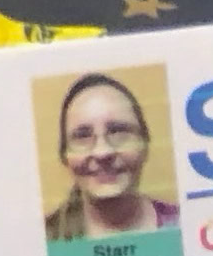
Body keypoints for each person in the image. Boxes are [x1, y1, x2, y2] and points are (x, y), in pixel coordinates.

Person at [41, 73, 183, 241]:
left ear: (145, 144)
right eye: (82, 136)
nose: (102, 152)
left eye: (118, 131)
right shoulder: (41, 241)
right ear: (64, 155)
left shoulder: (186, 227)